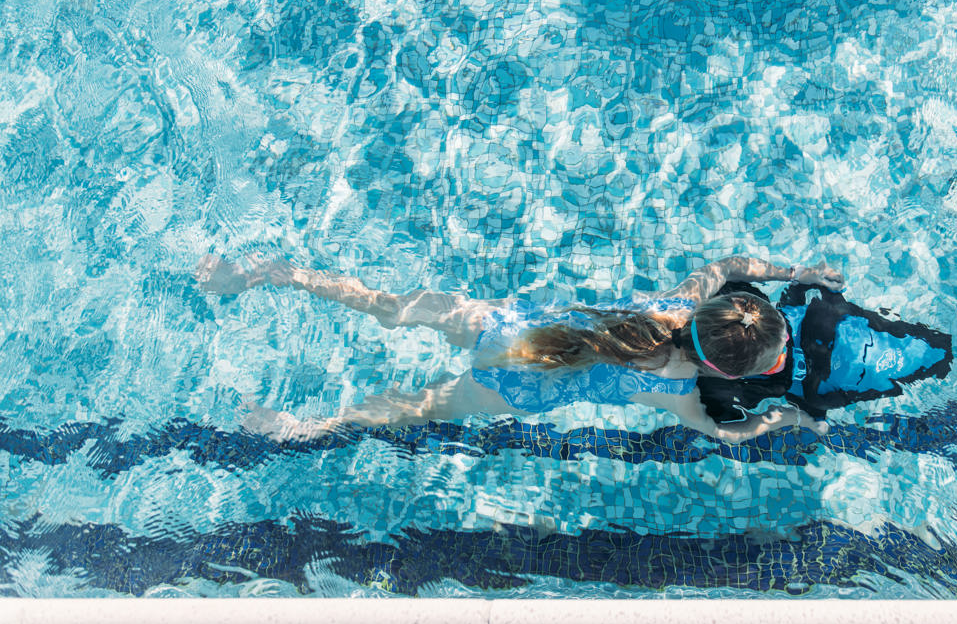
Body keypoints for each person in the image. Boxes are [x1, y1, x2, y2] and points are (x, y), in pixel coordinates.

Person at [194, 255, 845, 442]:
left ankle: (268, 273)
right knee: (407, 409)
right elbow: (728, 433)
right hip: (521, 385)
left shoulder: (683, 300)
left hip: (514, 328)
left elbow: (732, 261)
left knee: (389, 307)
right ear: (715, 368)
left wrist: (797, 272)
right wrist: (786, 415)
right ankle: (300, 426)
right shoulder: (676, 390)